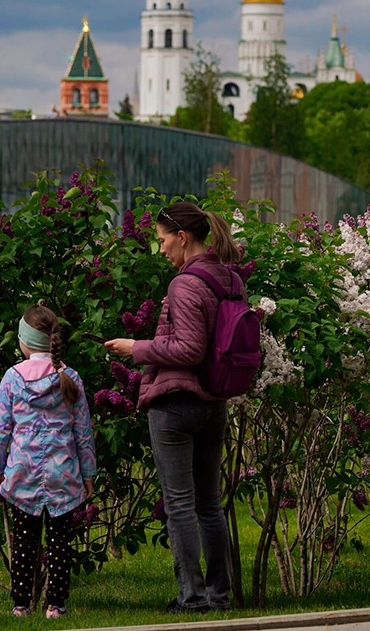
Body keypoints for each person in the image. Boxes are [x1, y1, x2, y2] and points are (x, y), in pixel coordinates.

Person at [105, 202, 242, 614]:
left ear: (182, 237)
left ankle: (193, 599)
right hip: (213, 402)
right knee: (209, 504)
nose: (161, 250)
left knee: (180, 503)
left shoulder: (185, 284)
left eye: (163, 240)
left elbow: (188, 348)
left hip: (176, 404)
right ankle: (220, 596)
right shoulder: (229, 279)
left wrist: (137, 348)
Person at [0, 304, 96, 619]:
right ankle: (56, 606)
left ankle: (21, 605)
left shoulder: (11, 378)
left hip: (22, 476)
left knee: (23, 543)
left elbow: (1, 429)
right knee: (60, 544)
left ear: (24, 342)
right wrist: (87, 474)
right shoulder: (70, 377)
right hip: (64, 476)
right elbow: (83, 432)